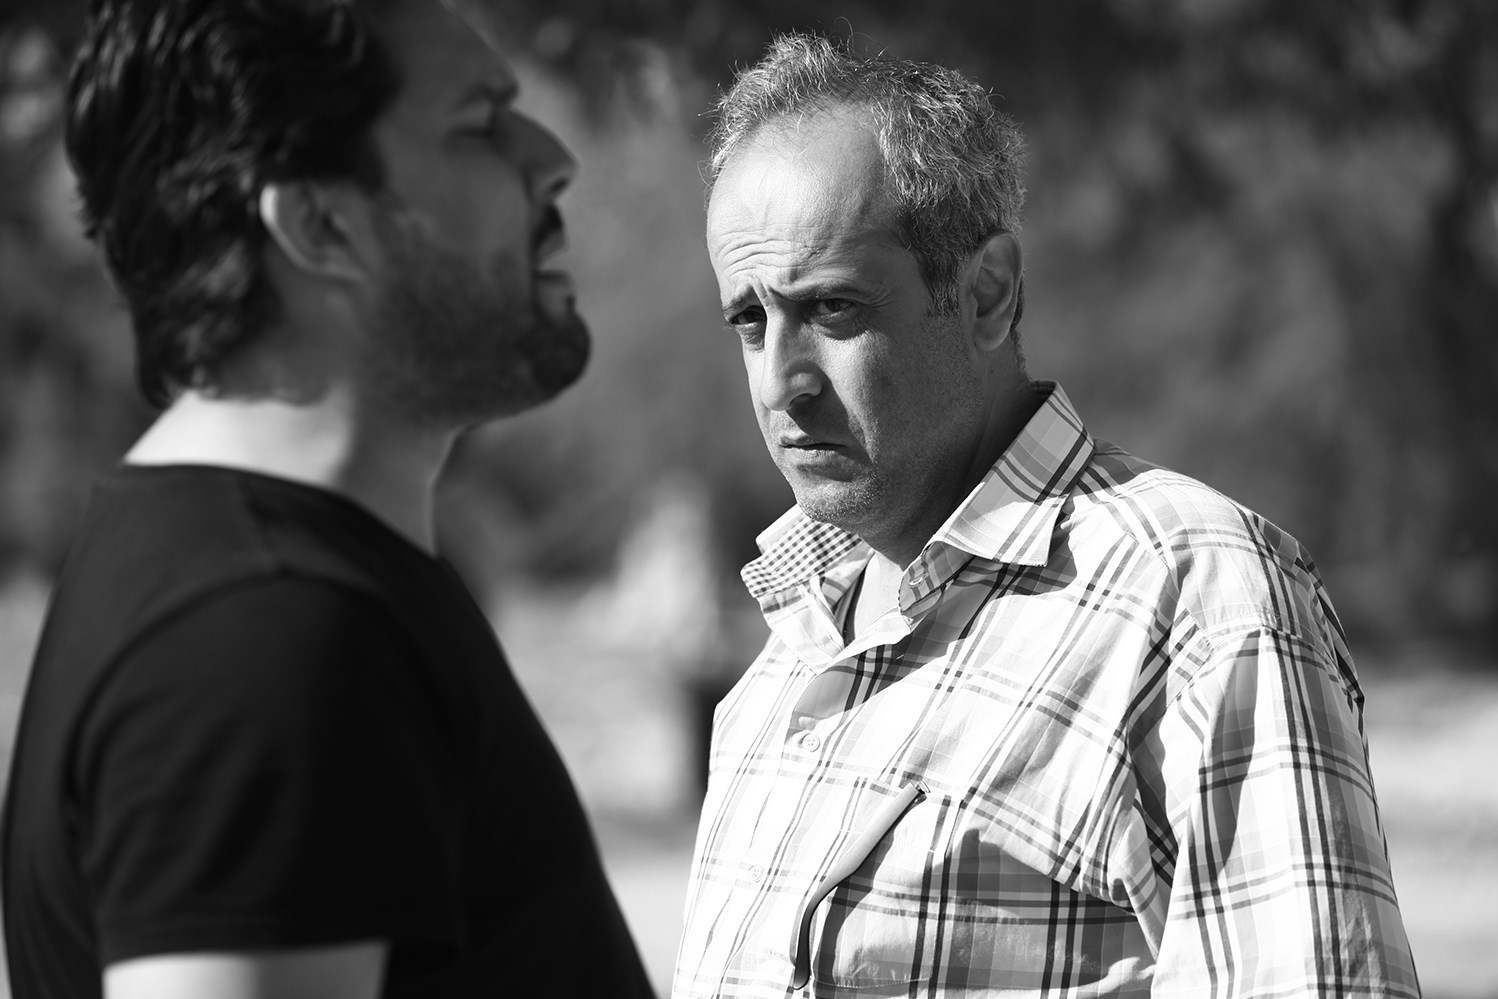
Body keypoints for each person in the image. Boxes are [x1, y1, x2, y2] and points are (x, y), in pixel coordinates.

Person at [673, 32, 1420, 998]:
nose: (783, 380)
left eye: (835, 309)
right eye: (749, 319)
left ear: (987, 292)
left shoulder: (1191, 597)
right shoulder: (778, 675)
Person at [1, 2, 655, 997]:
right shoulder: (261, 632)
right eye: (479, 125)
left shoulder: (279, 580)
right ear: (318, 222)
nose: (553, 159)